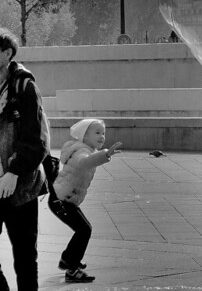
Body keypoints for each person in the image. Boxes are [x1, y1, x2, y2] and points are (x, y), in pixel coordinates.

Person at [0, 29, 48, 290]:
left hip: (20, 188)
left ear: (7, 54)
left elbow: (37, 138)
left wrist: (14, 171)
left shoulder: (24, 87)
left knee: (25, 259)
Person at [50, 118, 122, 283]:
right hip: (61, 200)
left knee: (83, 229)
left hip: (64, 198)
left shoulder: (85, 149)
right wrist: (106, 154)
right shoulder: (81, 151)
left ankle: (68, 259)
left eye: (103, 133)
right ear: (84, 136)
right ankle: (72, 269)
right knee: (84, 230)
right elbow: (84, 163)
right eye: (97, 133)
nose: (102, 136)